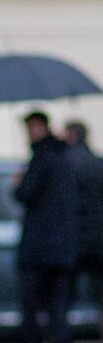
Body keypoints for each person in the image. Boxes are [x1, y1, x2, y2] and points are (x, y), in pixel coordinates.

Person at [13, 111, 78, 343]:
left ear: (38, 128)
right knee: (59, 319)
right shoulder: (65, 158)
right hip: (62, 254)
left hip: (36, 253)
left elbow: (24, 194)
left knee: (31, 320)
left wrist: (18, 182)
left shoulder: (40, 159)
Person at [63, 120, 103, 330]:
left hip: (71, 238)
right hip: (98, 238)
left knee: (62, 300)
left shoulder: (63, 164)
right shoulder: (98, 164)